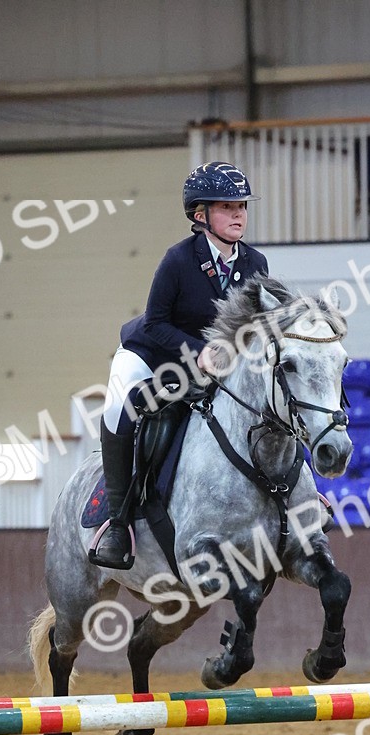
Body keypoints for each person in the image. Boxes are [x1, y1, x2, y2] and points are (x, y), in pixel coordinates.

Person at [91, 161, 269, 570]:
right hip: (151, 354)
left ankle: (293, 494)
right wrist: (199, 350)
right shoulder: (178, 260)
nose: (239, 213)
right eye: (227, 206)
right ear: (200, 214)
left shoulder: (255, 263)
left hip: (215, 362)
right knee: (120, 410)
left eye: (241, 205)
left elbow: (253, 326)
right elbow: (154, 323)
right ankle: (118, 522)